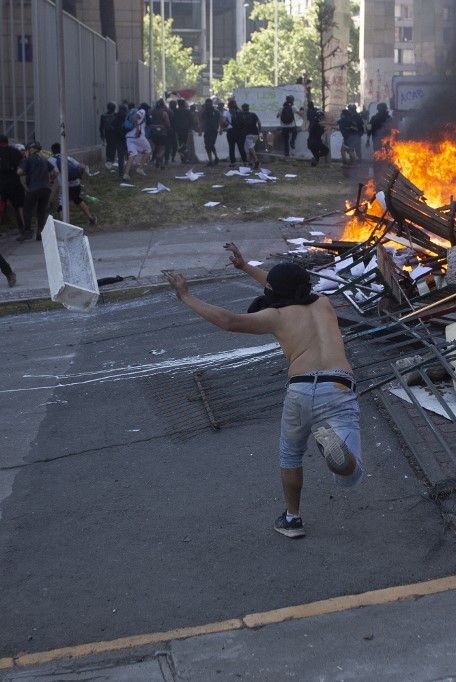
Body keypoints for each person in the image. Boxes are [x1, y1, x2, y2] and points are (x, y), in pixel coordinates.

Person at [165, 244, 365, 539]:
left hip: (300, 386)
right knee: (350, 474)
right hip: (338, 385)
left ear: (276, 293)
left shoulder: (275, 316)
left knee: (290, 454)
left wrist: (186, 296)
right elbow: (284, 286)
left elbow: (228, 321)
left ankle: (292, 519)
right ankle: (337, 449)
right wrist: (245, 267)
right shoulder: (324, 304)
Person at [49, 143, 97, 227]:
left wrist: (52, 180)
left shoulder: (51, 160)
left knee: (61, 205)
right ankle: (91, 218)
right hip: (76, 184)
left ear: (52, 151)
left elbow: (54, 172)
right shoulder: (67, 157)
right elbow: (82, 166)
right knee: (77, 200)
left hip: (65, 186)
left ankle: (65, 225)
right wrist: (80, 176)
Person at [17, 141, 57, 240]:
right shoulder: (44, 159)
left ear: (30, 150)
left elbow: (19, 172)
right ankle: (40, 233)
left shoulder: (28, 160)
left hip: (34, 188)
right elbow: (55, 171)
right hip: (46, 189)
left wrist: (25, 172)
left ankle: (27, 232)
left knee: (27, 210)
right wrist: (51, 180)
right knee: (41, 211)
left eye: (26, 150)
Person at [0, 134, 28, 241]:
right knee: (20, 207)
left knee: (1, 207)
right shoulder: (16, 152)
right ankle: (24, 230)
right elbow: (23, 165)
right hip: (15, 184)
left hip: (2, 185)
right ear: (7, 141)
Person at [124, 103, 152, 181]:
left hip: (129, 137)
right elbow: (135, 117)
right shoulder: (142, 111)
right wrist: (137, 129)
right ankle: (140, 168)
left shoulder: (137, 111)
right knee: (148, 150)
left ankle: (126, 174)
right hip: (138, 136)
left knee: (132, 155)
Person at [222, 99, 246, 166]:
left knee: (231, 147)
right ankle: (245, 161)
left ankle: (233, 162)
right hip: (240, 131)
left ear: (229, 105)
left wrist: (227, 125)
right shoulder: (240, 111)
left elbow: (224, 121)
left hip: (230, 131)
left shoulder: (226, 112)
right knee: (241, 147)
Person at [149, 99, 171, 169]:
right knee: (162, 149)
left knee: (157, 147)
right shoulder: (164, 113)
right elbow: (168, 124)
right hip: (162, 132)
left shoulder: (151, 112)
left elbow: (149, 121)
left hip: (153, 133)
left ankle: (161, 165)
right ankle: (158, 158)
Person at [239, 103, 262, 169]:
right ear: (248, 108)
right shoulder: (253, 114)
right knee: (251, 148)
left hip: (247, 134)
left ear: (242, 109)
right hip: (255, 133)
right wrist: (259, 131)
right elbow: (259, 123)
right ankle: (250, 162)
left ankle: (256, 160)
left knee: (250, 147)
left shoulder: (241, 115)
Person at [200, 98, 221, 166]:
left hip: (211, 130)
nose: (208, 105)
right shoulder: (214, 111)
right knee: (209, 145)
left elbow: (202, 122)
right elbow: (202, 121)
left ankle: (212, 160)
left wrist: (220, 129)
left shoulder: (210, 111)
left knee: (209, 145)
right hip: (211, 130)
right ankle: (213, 159)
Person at [173, 98, 193, 164]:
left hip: (177, 131)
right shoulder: (187, 111)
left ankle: (183, 158)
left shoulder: (175, 111)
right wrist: (190, 128)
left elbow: (173, 120)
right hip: (185, 130)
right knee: (185, 144)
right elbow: (191, 120)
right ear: (184, 104)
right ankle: (185, 158)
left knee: (180, 144)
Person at [99, 102, 119, 170]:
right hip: (114, 133)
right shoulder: (116, 115)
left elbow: (101, 127)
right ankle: (111, 160)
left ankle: (108, 160)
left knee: (109, 146)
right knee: (113, 146)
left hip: (107, 133)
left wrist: (102, 135)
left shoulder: (103, 115)